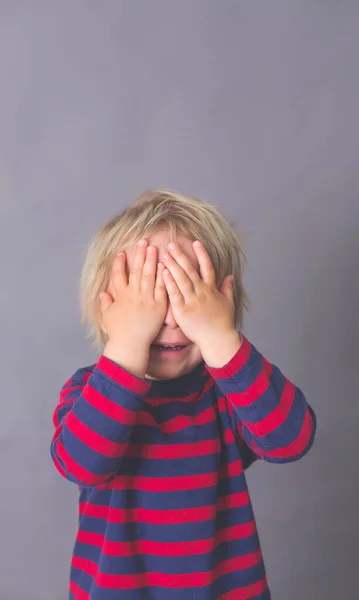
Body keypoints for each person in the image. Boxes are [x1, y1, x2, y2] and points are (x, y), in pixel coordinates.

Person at [50, 189, 317, 600]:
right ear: (107, 308)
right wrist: (126, 347)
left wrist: (219, 336)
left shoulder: (228, 392)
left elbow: (290, 440)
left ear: (222, 302)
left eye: (188, 295)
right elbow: (82, 464)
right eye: (148, 297)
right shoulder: (89, 389)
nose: (171, 318)